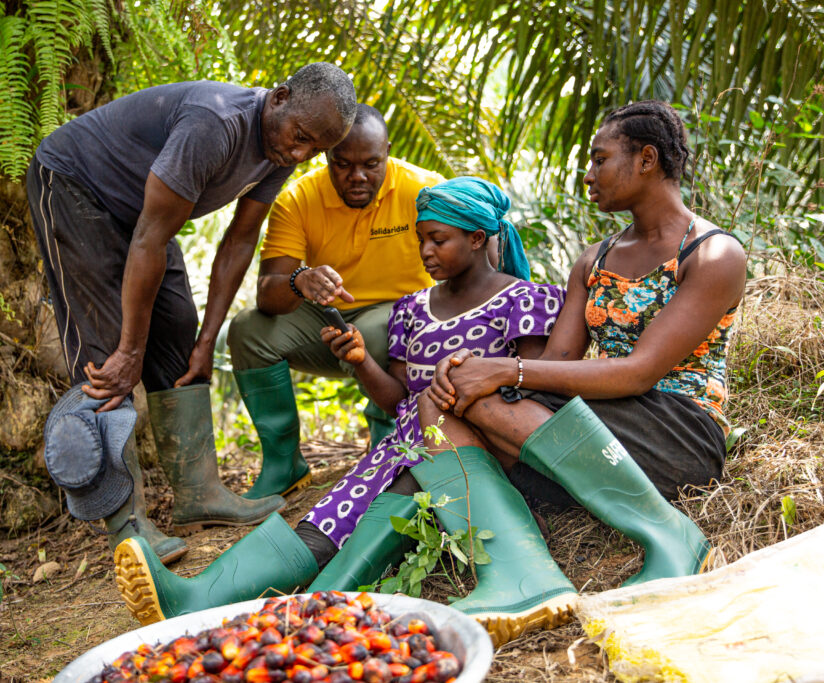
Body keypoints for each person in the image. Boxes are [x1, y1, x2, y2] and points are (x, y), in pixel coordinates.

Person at [113, 178, 567, 649]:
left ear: (477, 239)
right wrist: (359, 361)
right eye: (419, 240)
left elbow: (527, 392)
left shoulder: (524, 300)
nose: (425, 252)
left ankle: (300, 614)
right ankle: (197, 598)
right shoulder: (413, 309)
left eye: (438, 239)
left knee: (375, 518)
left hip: (472, 459)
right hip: (403, 449)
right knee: (326, 520)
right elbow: (398, 401)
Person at [417, 100, 745, 644]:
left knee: (481, 393)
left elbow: (640, 373)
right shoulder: (594, 260)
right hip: (600, 428)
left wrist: (503, 370)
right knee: (441, 396)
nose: (588, 175)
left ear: (646, 159)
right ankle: (522, 572)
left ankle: (675, 537)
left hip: (677, 430)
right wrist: (476, 369)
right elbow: (555, 366)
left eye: (599, 159)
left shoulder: (712, 255)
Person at [27, 63, 358, 561]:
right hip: (76, 186)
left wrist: (207, 342)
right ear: (281, 96)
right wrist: (130, 350)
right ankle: (127, 525)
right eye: (301, 138)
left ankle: (199, 494)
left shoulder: (283, 144)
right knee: (104, 354)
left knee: (179, 333)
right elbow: (150, 238)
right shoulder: (216, 122)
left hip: (143, 216)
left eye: (314, 150)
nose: (300, 154)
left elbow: (240, 240)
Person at [225, 104, 446, 500]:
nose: (357, 176)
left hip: (407, 323)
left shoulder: (424, 190)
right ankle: (283, 464)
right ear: (326, 156)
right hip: (329, 322)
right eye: (342, 164)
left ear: (388, 152)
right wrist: (300, 280)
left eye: (371, 164)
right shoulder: (298, 199)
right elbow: (268, 293)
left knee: (380, 329)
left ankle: (389, 447)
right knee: (247, 330)